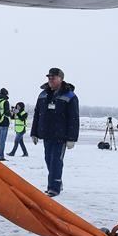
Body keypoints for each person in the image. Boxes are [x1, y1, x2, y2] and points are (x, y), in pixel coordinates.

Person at [30, 67, 79, 197]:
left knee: (55, 161)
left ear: (61, 79)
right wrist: (34, 132)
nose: (50, 80)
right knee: (48, 159)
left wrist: (72, 138)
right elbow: (37, 114)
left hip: (61, 136)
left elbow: (74, 119)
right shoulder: (43, 94)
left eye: (53, 77)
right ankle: (57, 182)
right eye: (49, 77)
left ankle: (54, 188)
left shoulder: (70, 96)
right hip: (47, 134)